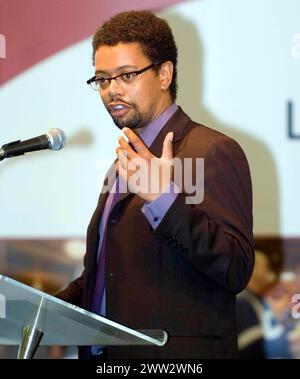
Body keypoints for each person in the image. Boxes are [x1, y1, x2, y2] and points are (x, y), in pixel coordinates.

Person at [57, 10, 254, 359]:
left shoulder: (212, 151)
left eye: (126, 75)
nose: (112, 90)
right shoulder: (121, 165)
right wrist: (37, 310)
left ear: (164, 74)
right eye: (102, 80)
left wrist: (164, 199)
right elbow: (104, 277)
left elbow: (235, 267)